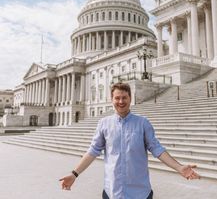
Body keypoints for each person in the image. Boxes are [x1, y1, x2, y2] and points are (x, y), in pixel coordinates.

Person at [59, 82, 200, 199]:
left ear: (130, 98)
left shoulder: (143, 123)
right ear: (112, 99)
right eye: (117, 98)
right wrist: (74, 174)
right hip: (112, 192)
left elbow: (157, 149)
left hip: (140, 193)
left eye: (124, 98)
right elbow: (93, 151)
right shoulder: (104, 123)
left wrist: (179, 167)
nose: (121, 101)